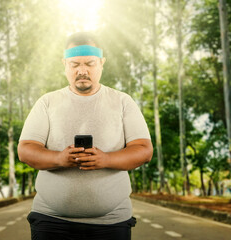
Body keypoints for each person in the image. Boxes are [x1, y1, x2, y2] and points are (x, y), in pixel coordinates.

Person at [17, 32, 153, 240]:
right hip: (51, 222)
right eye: (74, 64)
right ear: (64, 64)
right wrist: (58, 159)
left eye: (89, 63)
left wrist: (106, 159)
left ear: (101, 63)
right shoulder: (47, 102)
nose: (82, 70)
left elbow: (144, 150)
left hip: (112, 223)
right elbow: (25, 149)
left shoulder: (123, 102)